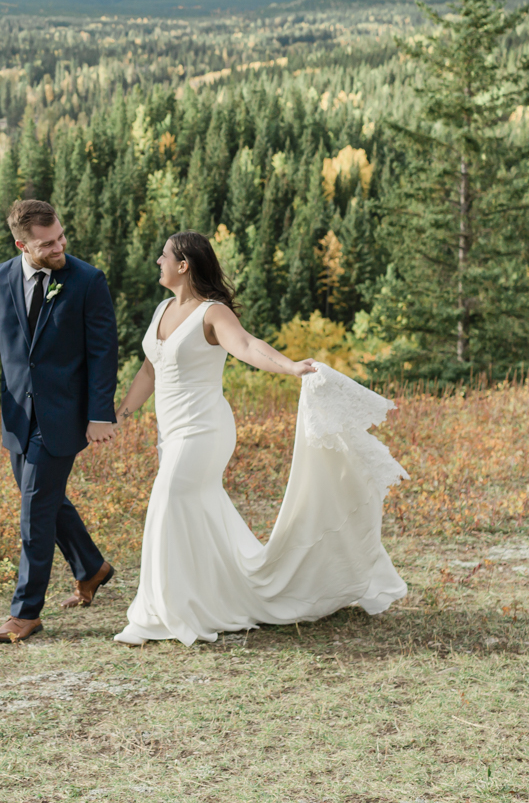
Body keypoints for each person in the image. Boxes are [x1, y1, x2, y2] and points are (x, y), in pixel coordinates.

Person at [112, 230, 408, 646]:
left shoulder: (213, 313)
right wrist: (120, 416)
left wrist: (289, 367)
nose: (157, 262)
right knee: (194, 512)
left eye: (163, 257)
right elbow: (148, 371)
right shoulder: (162, 308)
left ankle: (163, 612)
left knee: (167, 501)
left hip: (204, 430)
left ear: (183, 265)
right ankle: (208, 598)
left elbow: (248, 345)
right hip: (172, 432)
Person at [0, 199, 120, 643]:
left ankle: (26, 612)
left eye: (61, 237)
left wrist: (99, 413)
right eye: (47, 243)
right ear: (21, 244)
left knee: (34, 511)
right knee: (46, 501)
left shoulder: (87, 280)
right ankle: (92, 567)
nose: (60, 246)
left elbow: (104, 352)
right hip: (16, 416)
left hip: (64, 415)